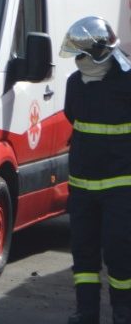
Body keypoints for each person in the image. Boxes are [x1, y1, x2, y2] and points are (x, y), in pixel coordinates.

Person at [58, 16, 131, 324]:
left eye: (82, 52)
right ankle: (86, 312)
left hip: (120, 184)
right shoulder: (75, 83)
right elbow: (73, 118)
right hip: (82, 186)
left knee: (119, 251)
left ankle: (123, 311)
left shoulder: (127, 83)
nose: (78, 59)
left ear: (99, 52)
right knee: (83, 253)